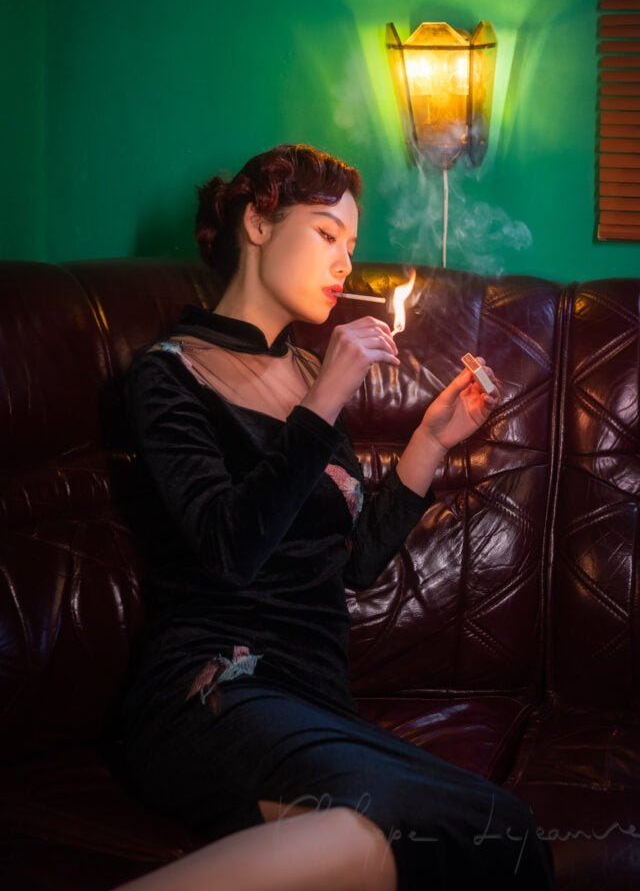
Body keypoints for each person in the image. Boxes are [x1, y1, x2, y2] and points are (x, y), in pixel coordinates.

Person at [113, 143, 554, 891]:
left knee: (503, 832)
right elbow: (229, 548)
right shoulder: (169, 375)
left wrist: (430, 440)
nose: (345, 263)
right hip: (212, 692)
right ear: (257, 222)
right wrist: (320, 407)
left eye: (350, 244)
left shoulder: (310, 371)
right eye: (324, 235)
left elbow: (349, 562)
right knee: (407, 839)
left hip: (313, 696)